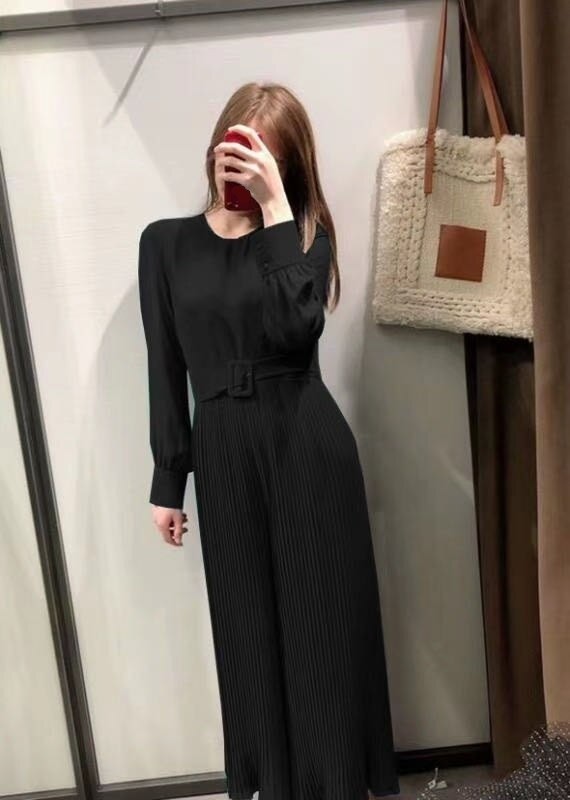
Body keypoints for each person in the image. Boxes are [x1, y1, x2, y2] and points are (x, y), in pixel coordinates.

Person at [138, 81, 400, 800]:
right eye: (240, 148)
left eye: (268, 158)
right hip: (223, 451)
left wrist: (279, 210)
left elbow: (295, 330)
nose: (247, 167)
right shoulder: (164, 244)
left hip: (304, 443)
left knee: (321, 629)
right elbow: (165, 365)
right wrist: (169, 480)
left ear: (289, 166)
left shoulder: (306, 238)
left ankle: (336, 782)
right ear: (217, 146)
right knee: (247, 632)